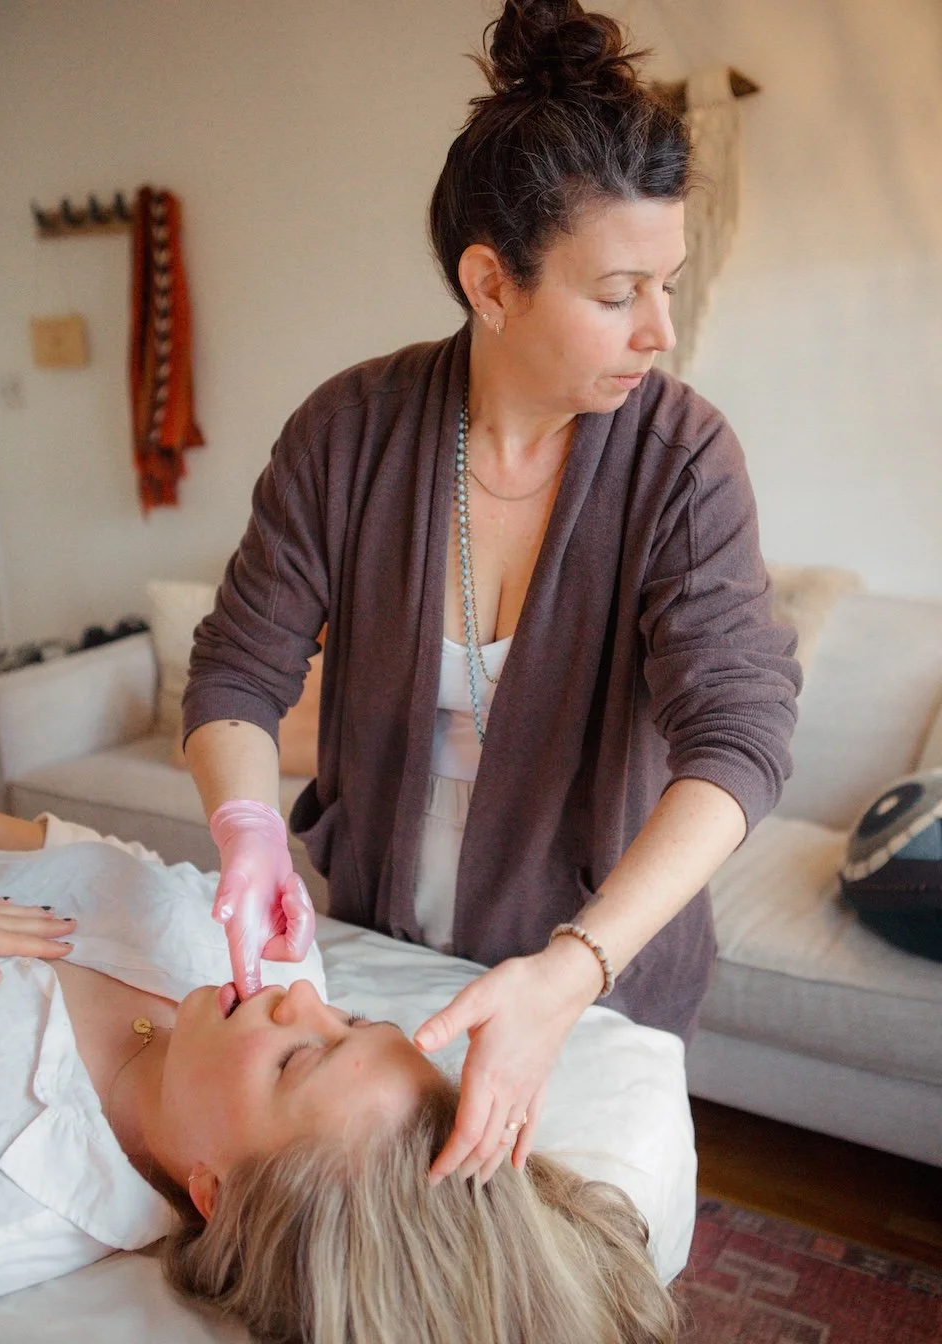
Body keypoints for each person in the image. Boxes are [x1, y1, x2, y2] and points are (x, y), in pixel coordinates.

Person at [182, 0, 802, 1187]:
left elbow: (741, 740)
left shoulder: (682, 460)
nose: (661, 330)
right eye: (620, 292)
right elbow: (236, 675)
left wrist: (570, 972)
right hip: (377, 952)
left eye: (668, 284)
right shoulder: (349, 432)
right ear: (492, 283)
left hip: (600, 980)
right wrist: (248, 826)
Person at [0, 805, 680, 1342]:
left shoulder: (10, 1193)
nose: (304, 999)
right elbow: (72, 853)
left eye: (297, 1059)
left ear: (216, 1197)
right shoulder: (278, 956)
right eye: (352, 1020)